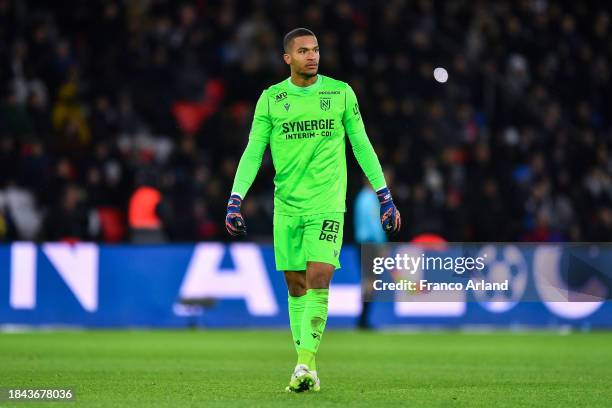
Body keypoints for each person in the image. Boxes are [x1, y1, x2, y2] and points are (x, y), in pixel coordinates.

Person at [225, 28, 401, 392]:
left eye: (316, 49)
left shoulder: (340, 93)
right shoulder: (271, 100)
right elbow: (253, 152)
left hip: (327, 205)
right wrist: (235, 198)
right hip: (287, 206)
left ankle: (303, 364)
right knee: (295, 286)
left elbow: (361, 145)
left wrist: (384, 193)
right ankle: (309, 367)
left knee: (320, 275)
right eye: (303, 50)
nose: (312, 56)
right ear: (287, 58)